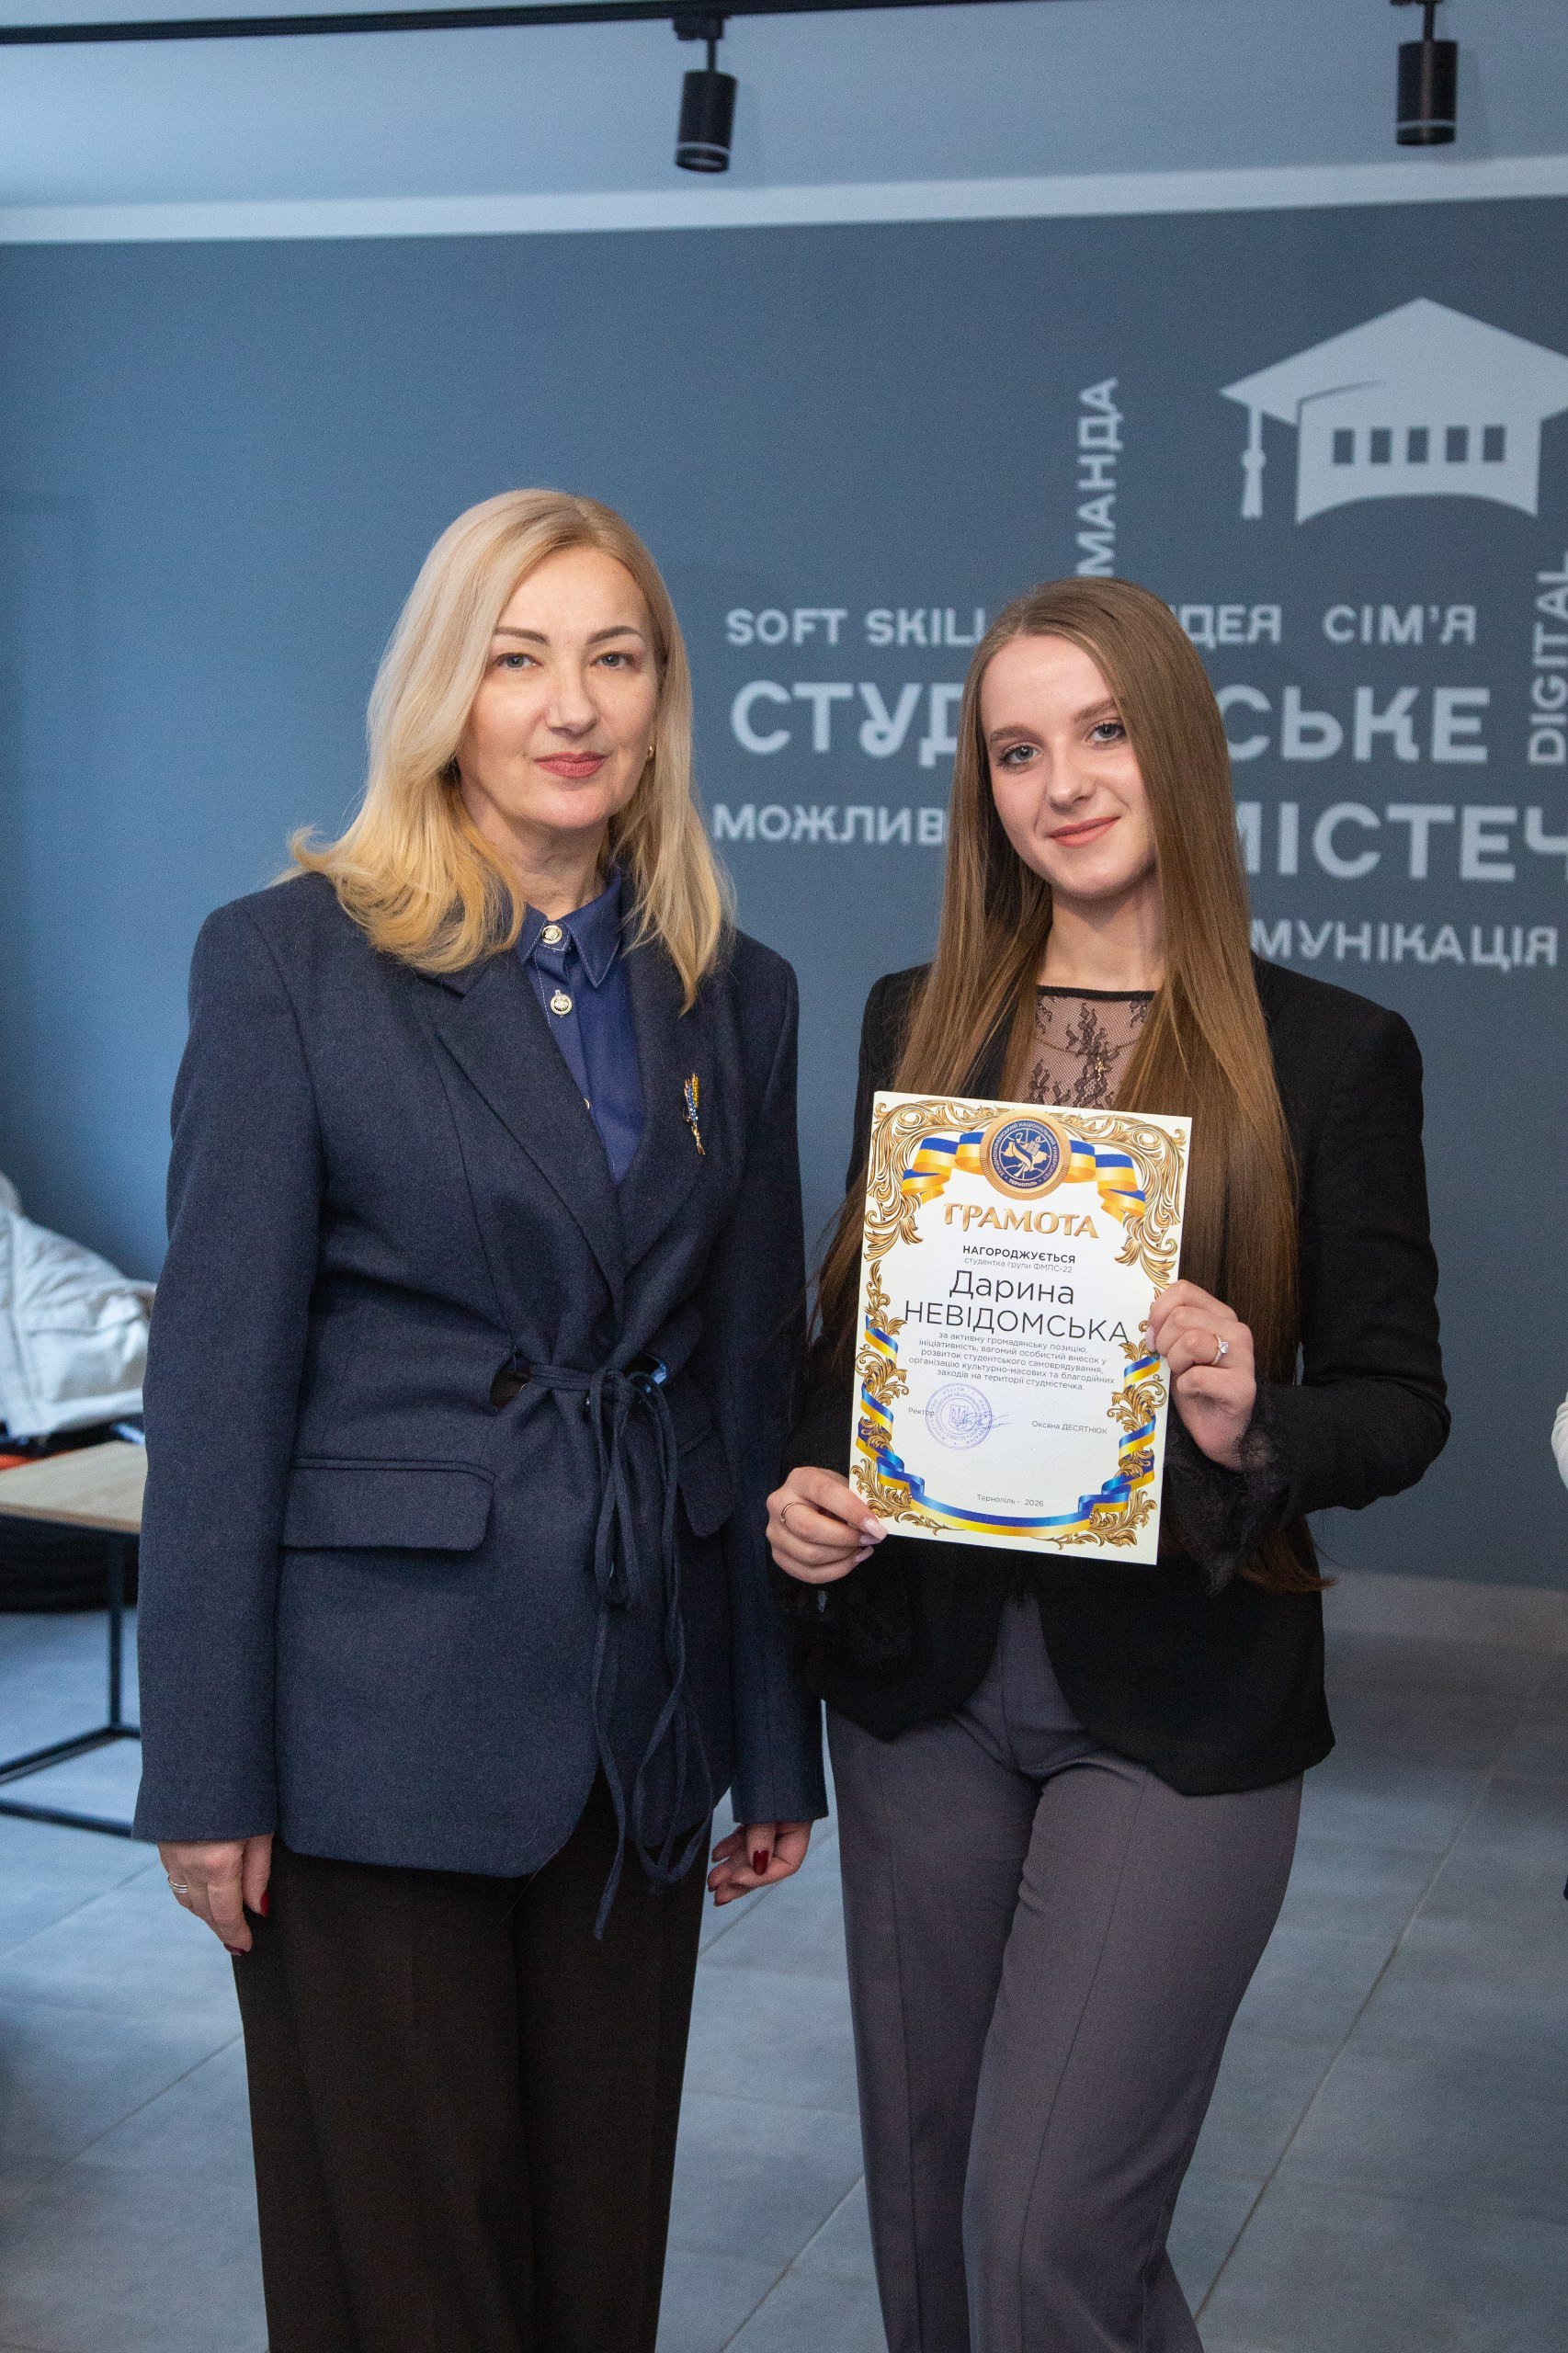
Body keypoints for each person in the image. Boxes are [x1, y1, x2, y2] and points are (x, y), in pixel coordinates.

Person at [133, 488, 824, 2353]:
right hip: (370, 1722)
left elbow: (750, 1381)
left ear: (662, 697)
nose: (570, 705)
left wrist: (774, 1741)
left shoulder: (732, 993)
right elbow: (215, 1390)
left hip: (638, 1725)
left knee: (595, 2272)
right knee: (407, 2276)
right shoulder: (288, 962)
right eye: (518, 659)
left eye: (614, 657)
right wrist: (202, 1771)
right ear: (444, 689)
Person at [767, 577, 1447, 2353]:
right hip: (916, 1683)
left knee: (1043, 2231)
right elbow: (851, 1352)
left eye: (1102, 731)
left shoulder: (1333, 1054)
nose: (1060, 783)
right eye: (1015, 750)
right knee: (933, 2230)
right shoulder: (916, 1019)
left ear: (1179, 749)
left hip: (1180, 1703)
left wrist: (1250, 1413)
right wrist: (809, 1482)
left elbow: (1399, 1404)